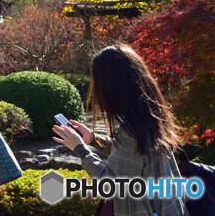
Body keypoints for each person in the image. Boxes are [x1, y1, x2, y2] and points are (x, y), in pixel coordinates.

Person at [51, 44, 186, 216]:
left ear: (110, 86)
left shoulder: (130, 131)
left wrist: (80, 149)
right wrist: (93, 139)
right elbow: (135, 156)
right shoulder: (152, 117)